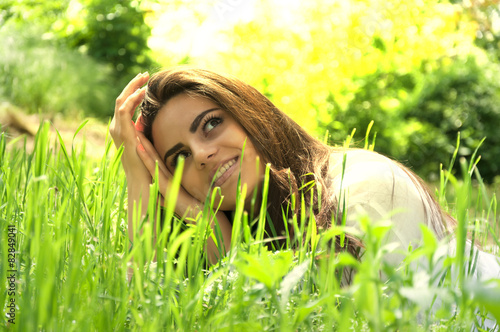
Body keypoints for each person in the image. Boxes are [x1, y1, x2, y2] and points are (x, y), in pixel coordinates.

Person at [109, 67, 499, 284]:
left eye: (211, 124)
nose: (202, 155)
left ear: (251, 114)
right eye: (177, 160)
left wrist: (227, 254)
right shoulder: (242, 231)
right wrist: (137, 175)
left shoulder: (362, 186)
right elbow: (142, 302)